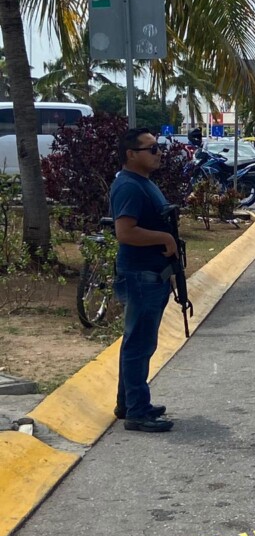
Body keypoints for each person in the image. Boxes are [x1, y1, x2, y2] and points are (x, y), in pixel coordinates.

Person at [109, 129, 177, 433]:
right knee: (139, 344)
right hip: (140, 277)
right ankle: (137, 411)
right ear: (131, 154)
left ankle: (129, 403)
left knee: (138, 343)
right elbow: (125, 232)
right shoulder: (129, 187)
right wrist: (164, 238)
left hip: (152, 275)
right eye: (151, 149)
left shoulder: (143, 183)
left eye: (158, 147)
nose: (158, 152)